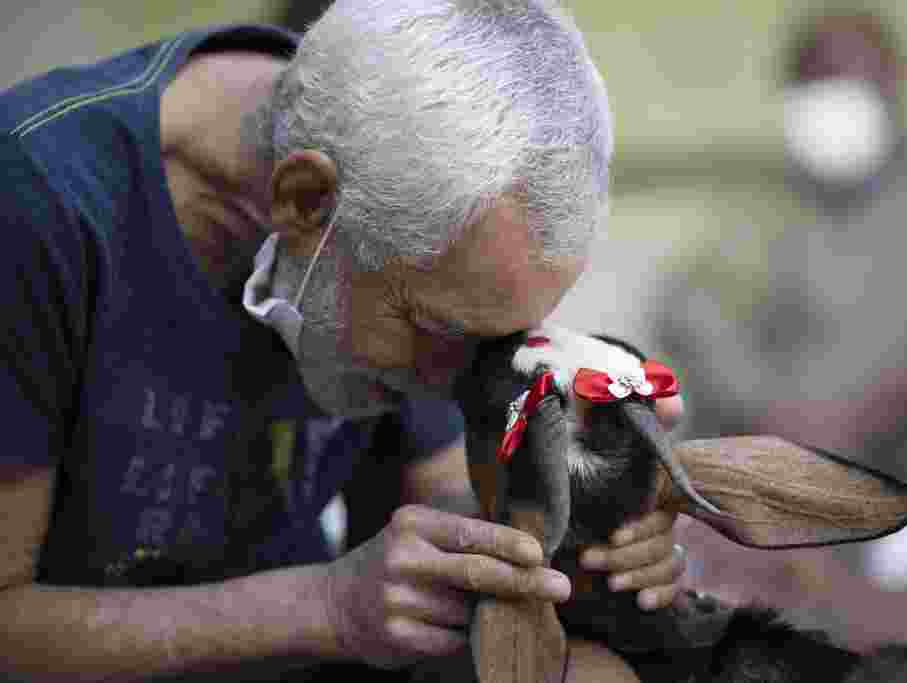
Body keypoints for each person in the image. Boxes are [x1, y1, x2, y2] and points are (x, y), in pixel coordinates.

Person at [0, 2, 689, 680]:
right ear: (305, 200)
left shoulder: (403, 212)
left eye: (502, 337)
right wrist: (323, 604)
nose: (462, 380)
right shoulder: (40, 208)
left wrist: (578, 547)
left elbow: (440, 487)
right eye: (444, 331)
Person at [657, 6, 907, 653]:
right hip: (801, 452)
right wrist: (781, 410)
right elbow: (696, 318)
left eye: (855, 80)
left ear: (894, 85)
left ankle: (891, 567)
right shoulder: (760, 205)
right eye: (820, 80)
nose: (837, 102)